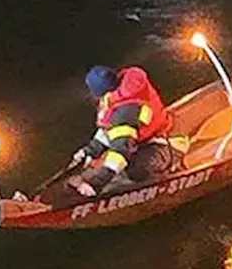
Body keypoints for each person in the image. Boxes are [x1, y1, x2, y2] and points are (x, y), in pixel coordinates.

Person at [68, 65, 179, 197]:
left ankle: (168, 170)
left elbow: (121, 151)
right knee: (108, 165)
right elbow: (108, 131)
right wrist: (89, 151)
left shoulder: (125, 112)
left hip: (161, 143)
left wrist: (96, 184)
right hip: (140, 142)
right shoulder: (115, 97)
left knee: (137, 171)